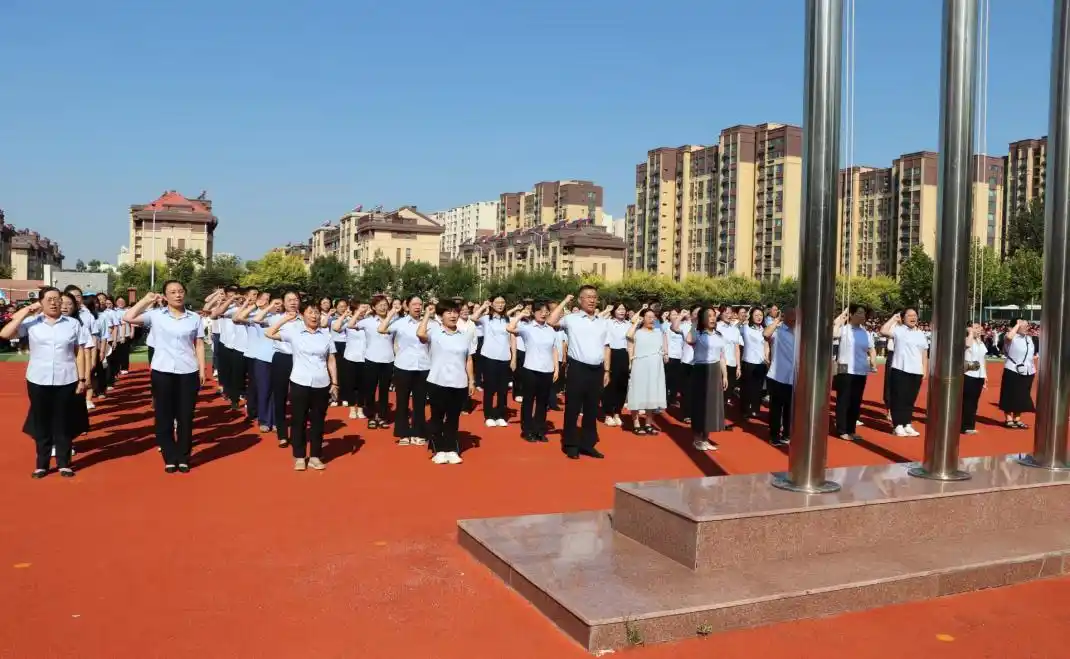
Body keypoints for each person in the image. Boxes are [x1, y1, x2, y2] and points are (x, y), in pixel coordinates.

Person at [1, 288, 88, 478]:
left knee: (63, 421)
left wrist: (82, 378)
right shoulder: (32, 323)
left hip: (67, 378)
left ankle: (64, 463)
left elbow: (79, 352)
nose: (55, 303)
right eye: (49, 299)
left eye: (57, 299)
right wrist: (26, 310)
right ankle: (42, 464)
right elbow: (5, 334)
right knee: (42, 422)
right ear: (41, 302)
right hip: (38, 378)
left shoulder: (72, 324)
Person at [124, 282, 207, 473]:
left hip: (188, 371)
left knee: (185, 416)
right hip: (163, 371)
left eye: (180, 291)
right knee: (164, 416)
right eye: (172, 292)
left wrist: (202, 370)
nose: (177, 295)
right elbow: (128, 317)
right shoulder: (156, 316)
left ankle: (184, 456)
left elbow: (200, 344)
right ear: (165, 296)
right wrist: (146, 300)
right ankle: (170, 456)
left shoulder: (194, 318)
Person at [266, 301, 338, 471]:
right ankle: (299, 456)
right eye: (310, 312)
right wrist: (286, 319)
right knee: (299, 421)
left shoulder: (326, 335)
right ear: (303, 315)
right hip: (300, 382)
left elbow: (331, 359)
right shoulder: (294, 333)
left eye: (317, 313)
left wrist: (335, 382)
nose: (314, 316)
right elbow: (270, 333)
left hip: (321, 383)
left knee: (318, 421)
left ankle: (315, 456)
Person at [548, 286, 609, 460]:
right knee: (573, 408)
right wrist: (565, 301)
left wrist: (606, 370)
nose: (592, 300)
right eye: (588, 297)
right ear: (580, 300)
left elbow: (606, 346)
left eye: (594, 297)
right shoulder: (571, 319)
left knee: (591, 409)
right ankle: (571, 444)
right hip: (577, 368)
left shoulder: (602, 322)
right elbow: (551, 322)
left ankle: (587, 444)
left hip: (597, 369)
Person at [418, 299, 476, 464]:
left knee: (453, 417)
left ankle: (451, 448)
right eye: (448, 312)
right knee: (437, 417)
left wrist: (471, 380)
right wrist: (427, 314)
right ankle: (438, 449)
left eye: (455, 312)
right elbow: (421, 334)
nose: (453, 315)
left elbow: (469, 359)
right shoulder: (435, 332)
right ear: (440, 316)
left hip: (459, 382)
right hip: (438, 381)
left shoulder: (465, 335)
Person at [507, 301, 558, 443]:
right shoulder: (527, 328)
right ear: (533, 313)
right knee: (528, 401)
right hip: (531, 369)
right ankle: (527, 430)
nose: (543, 313)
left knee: (542, 402)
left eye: (545, 311)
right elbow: (510, 328)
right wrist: (520, 315)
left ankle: (539, 430)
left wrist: (556, 368)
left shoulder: (550, 330)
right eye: (539, 311)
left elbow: (554, 349)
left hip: (547, 370)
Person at [683, 307, 728, 450]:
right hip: (701, 370)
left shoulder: (719, 335)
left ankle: (705, 438)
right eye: (709, 316)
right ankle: (697, 439)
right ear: (703, 319)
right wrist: (695, 323)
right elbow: (689, 340)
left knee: (712, 405)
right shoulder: (698, 334)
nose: (713, 318)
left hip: (715, 371)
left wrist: (725, 375)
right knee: (700, 405)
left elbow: (722, 357)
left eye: (714, 316)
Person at [880, 308, 929, 437]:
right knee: (899, 398)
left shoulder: (920, 333)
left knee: (910, 399)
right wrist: (893, 319)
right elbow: (883, 331)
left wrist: (924, 369)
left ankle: (907, 423)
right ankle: (898, 425)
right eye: (910, 315)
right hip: (900, 369)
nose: (913, 318)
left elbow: (924, 352)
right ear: (903, 318)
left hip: (916, 371)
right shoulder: (898, 330)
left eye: (915, 315)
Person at [237, 294, 282, 433]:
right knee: (264, 390)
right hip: (262, 358)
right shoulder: (262, 316)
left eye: (280, 303)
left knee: (278, 391)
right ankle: (264, 420)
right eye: (275, 303)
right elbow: (239, 318)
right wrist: (263, 306)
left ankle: (276, 420)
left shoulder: (285, 318)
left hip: (280, 357)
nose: (277, 306)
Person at [833, 304, 876, 441]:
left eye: (863, 313)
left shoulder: (865, 333)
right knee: (843, 400)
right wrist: (843, 316)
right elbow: (833, 332)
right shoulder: (844, 330)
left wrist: (873, 362)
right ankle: (842, 429)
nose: (862, 316)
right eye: (858, 313)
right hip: (844, 369)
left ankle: (851, 429)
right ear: (851, 315)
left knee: (856, 401)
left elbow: (871, 349)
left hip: (860, 371)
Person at [472, 296, 514, 428]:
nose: (500, 305)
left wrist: (513, 358)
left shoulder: (509, 320)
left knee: (503, 389)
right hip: (489, 357)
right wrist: (484, 306)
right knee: (489, 388)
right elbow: (473, 318)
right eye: (497, 303)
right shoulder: (486, 319)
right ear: (492, 304)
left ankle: (501, 415)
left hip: (505, 358)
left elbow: (513, 340)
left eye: (502, 302)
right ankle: (489, 415)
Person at [626, 308, 668, 434]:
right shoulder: (637, 332)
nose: (651, 319)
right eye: (648, 317)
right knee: (638, 392)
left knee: (652, 393)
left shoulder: (658, 332)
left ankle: (648, 423)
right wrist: (636, 322)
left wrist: (665, 355)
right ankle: (636, 422)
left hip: (655, 366)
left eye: (653, 317)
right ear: (643, 318)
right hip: (640, 365)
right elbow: (628, 336)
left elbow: (664, 348)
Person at [356, 295, 395, 429]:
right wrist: (358, 312)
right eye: (380, 305)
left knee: (384, 390)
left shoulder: (394, 321)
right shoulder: (368, 321)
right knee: (370, 390)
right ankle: (372, 416)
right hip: (371, 359)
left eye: (385, 304)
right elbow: (350, 325)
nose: (383, 307)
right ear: (373, 307)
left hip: (388, 359)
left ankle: (382, 416)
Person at [764, 308, 797, 447]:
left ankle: (787, 434)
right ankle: (774, 435)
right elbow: (766, 334)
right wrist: (777, 320)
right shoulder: (778, 331)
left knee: (790, 408)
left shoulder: (800, 332)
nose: (795, 318)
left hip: (793, 376)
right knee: (776, 408)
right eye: (792, 314)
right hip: (777, 375)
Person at [999, 317, 1036, 428]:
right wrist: (1017, 325)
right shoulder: (1010, 337)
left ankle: (1017, 418)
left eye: (1027, 325)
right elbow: (1009, 336)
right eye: (1023, 326)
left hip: (1028, 370)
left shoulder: (1029, 338)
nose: (1026, 327)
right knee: (1010, 394)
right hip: (1012, 369)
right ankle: (1008, 419)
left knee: (1022, 395)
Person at [334, 302, 370, 420]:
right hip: (350, 358)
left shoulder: (367, 322)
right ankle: (351, 408)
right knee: (350, 385)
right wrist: (345, 315)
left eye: (365, 309)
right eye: (360, 309)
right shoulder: (348, 322)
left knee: (363, 385)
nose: (363, 312)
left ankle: (360, 408)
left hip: (364, 358)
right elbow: (336, 328)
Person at [602, 304, 631, 427]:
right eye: (619, 309)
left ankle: (617, 413)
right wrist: (607, 310)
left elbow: (631, 342)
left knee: (622, 385)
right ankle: (608, 414)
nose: (622, 311)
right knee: (609, 385)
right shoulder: (607, 322)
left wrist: (630, 361)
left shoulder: (628, 324)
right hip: (610, 354)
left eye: (624, 309)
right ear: (614, 311)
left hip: (624, 354)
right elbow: (597, 318)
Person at [740, 307, 769, 418]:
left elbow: (767, 345)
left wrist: (767, 358)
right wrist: (744, 319)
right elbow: (736, 329)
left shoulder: (764, 329)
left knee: (758, 388)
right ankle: (745, 409)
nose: (759, 317)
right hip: (748, 361)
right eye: (756, 315)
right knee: (747, 387)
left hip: (761, 363)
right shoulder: (746, 327)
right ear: (751, 316)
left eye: (760, 315)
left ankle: (755, 409)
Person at [962, 322, 988, 435]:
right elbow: (967, 345)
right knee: (967, 401)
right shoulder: (967, 339)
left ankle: (970, 424)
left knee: (974, 402)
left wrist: (985, 375)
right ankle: (964, 426)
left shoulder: (980, 342)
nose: (979, 329)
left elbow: (983, 360)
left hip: (979, 375)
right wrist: (970, 332)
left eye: (979, 327)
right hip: (968, 374)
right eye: (976, 327)